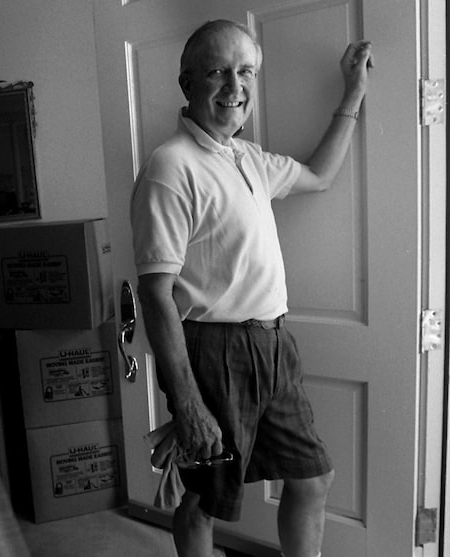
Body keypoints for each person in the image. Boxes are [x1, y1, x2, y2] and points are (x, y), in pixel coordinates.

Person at [130, 20, 372, 557]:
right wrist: (187, 403)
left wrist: (352, 93)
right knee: (206, 498)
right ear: (187, 82)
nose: (234, 86)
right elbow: (155, 295)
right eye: (217, 71)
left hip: (274, 345)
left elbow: (320, 175)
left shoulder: (249, 158)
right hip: (214, 351)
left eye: (246, 72)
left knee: (312, 479)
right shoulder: (170, 167)